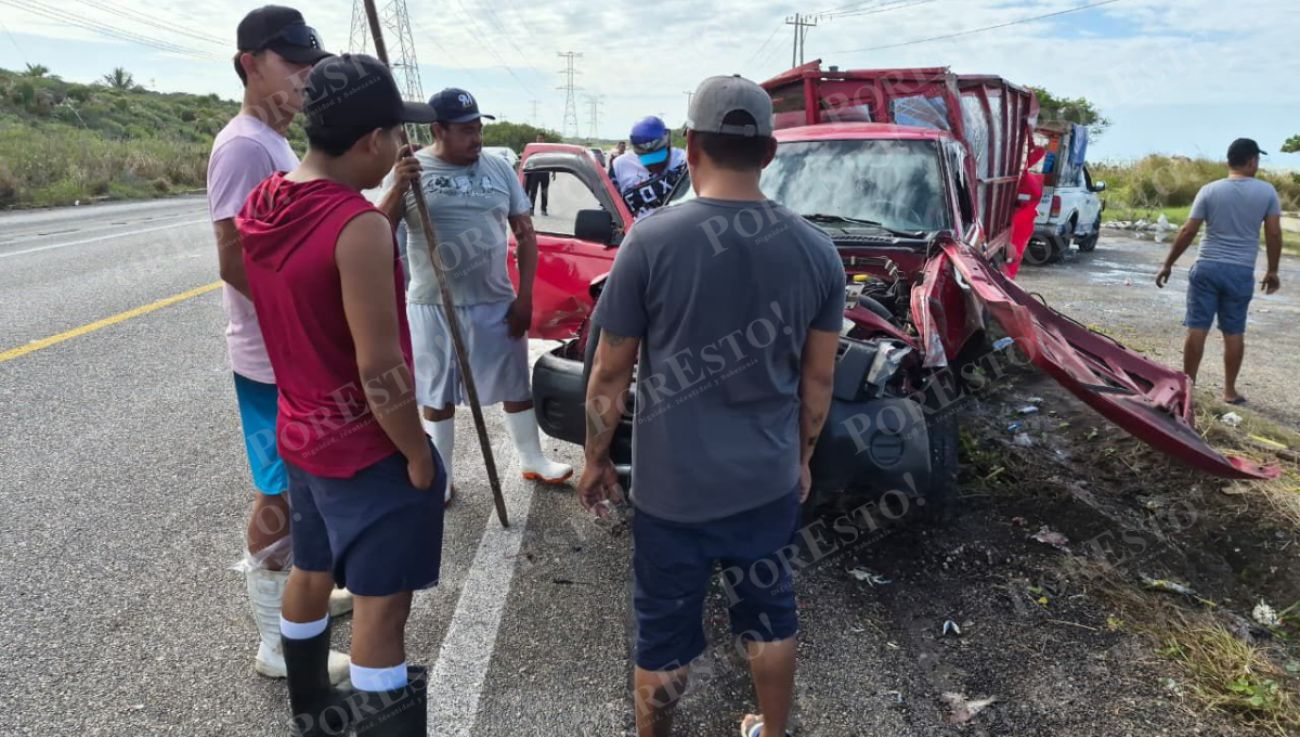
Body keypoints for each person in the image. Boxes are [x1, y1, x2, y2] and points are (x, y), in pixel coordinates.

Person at [579, 75, 845, 737]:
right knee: (769, 615)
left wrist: (595, 458)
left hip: (673, 492)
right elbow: (818, 384)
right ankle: (772, 730)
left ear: (690, 146)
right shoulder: (817, 251)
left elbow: (609, 372)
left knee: (664, 633)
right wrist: (803, 458)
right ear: (770, 152)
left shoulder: (650, 241)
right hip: (764, 482)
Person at [237, 54, 445, 737]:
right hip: (366, 449)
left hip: (302, 432)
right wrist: (417, 454)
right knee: (383, 612)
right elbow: (381, 367)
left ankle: (312, 713)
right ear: (369, 142)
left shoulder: (265, 202)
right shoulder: (359, 226)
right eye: (391, 136)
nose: (394, 151)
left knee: (313, 568)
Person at [205, 4, 350, 685]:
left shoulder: (275, 141)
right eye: (291, 63)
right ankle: (272, 639)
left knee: (301, 482)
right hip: (268, 355)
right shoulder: (243, 145)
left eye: (310, 65)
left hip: (287, 350)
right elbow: (234, 258)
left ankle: (304, 592)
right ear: (249, 65)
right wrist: (300, 318)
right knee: (276, 492)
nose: (303, 77)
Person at [380, 88, 572, 505]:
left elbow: (525, 234)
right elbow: (378, 232)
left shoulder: (500, 168)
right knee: (437, 394)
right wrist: (398, 186)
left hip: (495, 301)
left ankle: (532, 457)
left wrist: (524, 298)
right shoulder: (412, 169)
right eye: (466, 130)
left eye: (479, 127)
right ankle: (443, 475)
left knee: (515, 383)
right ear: (438, 129)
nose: (477, 137)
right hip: (433, 304)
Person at [1156, 138, 1283, 404]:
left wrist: (1168, 263)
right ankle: (1229, 391)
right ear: (1251, 161)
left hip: (1207, 267)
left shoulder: (1209, 190)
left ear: (1229, 161)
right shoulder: (1267, 192)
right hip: (1240, 271)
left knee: (1197, 328)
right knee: (1234, 331)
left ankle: (1188, 387)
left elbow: (1188, 230)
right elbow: (1273, 232)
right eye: (1256, 160)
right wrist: (1272, 270)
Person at [612, 116, 687, 219]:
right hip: (638, 231)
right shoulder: (619, 166)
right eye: (648, 161)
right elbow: (611, 207)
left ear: (668, 144)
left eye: (659, 158)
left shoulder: (683, 161)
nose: (654, 166)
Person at [524, 133, 551, 216]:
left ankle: (544, 209)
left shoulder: (547, 149)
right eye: (538, 138)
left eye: (541, 139)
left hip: (545, 173)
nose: (539, 140)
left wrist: (553, 171)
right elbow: (527, 158)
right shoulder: (533, 148)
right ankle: (531, 209)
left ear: (544, 140)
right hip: (535, 173)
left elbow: (551, 160)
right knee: (533, 192)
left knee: (544, 192)